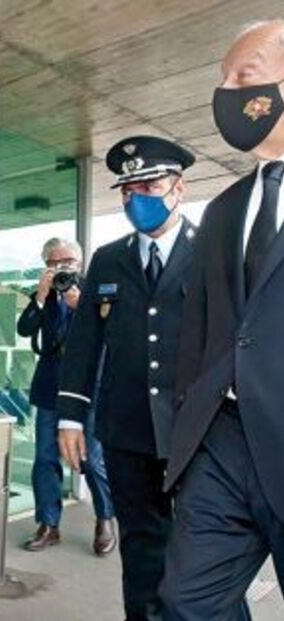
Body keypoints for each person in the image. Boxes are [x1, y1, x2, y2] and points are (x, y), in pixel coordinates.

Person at [160, 20, 284, 619]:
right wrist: (192, 425)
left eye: (245, 76)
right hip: (223, 443)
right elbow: (202, 330)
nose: (228, 92)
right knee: (187, 604)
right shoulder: (224, 209)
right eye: (223, 79)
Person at [57, 136, 196, 620]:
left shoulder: (211, 252)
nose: (137, 197)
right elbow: (84, 343)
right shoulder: (108, 259)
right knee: (140, 550)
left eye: (150, 184)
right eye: (127, 189)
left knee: (202, 552)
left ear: (178, 187)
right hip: (126, 430)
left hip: (195, 431)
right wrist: (70, 417)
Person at [16, 238, 116, 555]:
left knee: (92, 458)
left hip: (88, 390)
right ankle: (48, 524)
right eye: (56, 263)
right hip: (50, 389)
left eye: (70, 261)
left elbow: (114, 331)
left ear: (80, 262)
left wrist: (84, 306)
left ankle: (105, 519)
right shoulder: (43, 294)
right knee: (45, 459)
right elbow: (23, 328)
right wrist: (42, 296)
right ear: (46, 266)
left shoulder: (96, 291)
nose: (64, 268)